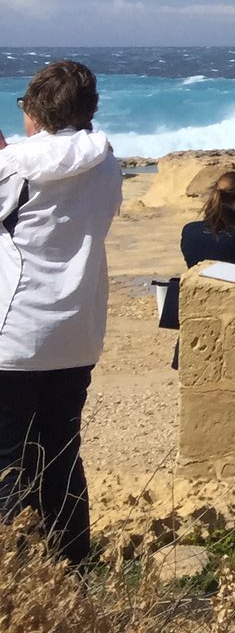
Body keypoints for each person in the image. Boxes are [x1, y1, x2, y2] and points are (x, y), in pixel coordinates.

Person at [0, 60, 123, 566]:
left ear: (34, 109)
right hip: (77, 328)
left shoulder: (15, 166)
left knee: (9, 463)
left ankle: (17, 574)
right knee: (60, 455)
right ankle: (72, 567)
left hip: (15, 331)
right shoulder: (107, 160)